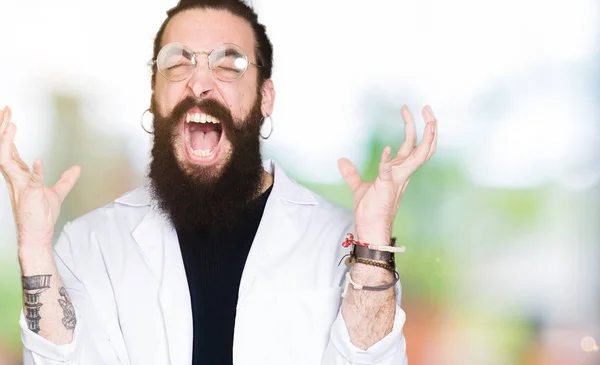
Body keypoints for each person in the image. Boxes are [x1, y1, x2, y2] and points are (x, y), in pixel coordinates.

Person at [0, 0, 437, 364]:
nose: (200, 81)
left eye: (229, 64)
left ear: (265, 98)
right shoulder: (89, 244)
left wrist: (374, 239)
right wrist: (34, 247)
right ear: (155, 95)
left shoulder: (338, 241)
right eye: (178, 63)